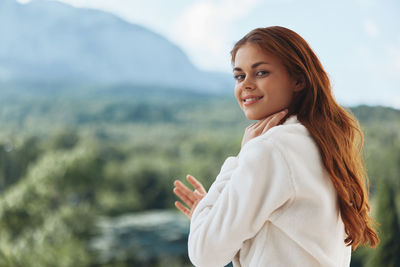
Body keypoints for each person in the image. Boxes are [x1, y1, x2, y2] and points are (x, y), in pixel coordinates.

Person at [172, 26, 379, 267]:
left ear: (298, 80)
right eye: (239, 76)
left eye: (260, 72)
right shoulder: (322, 142)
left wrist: (237, 163)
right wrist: (215, 211)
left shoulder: (271, 149)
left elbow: (205, 254)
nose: (246, 85)